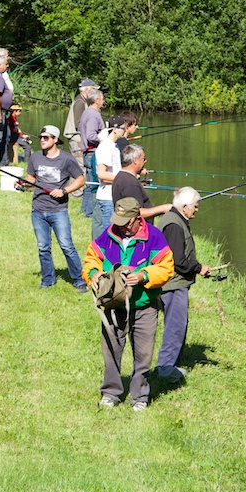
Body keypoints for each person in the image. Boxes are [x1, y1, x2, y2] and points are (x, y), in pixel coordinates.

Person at [83, 197, 174, 411]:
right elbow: (91, 258)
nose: (121, 226)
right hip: (114, 305)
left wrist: (144, 275)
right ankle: (111, 393)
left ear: (137, 219)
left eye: (125, 222)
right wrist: (94, 274)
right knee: (111, 350)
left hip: (144, 306)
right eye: (118, 220)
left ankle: (139, 396)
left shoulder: (154, 237)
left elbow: (167, 267)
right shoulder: (109, 233)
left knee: (143, 353)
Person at [154, 187, 213, 383]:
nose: (196, 210)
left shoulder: (175, 220)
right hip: (172, 285)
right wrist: (198, 268)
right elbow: (178, 260)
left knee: (177, 325)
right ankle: (165, 370)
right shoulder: (174, 225)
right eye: (195, 206)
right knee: (175, 328)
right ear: (185, 206)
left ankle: (172, 366)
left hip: (174, 284)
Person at [21, 125, 88, 292]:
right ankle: (47, 280)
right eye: (41, 137)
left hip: (58, 211)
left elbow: (81, 179)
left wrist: (64, 190)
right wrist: (23, 183)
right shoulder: (35, 157)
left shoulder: (66, 159)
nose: (42, 140)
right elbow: (31, 178)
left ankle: (79, 280)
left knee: (66, 245)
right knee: (43, 247)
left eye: (46, 137)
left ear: (55, 139)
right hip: (38, 209)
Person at [111, 144, 172, 223]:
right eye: (143, 159)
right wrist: (163, 208)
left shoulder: (121, 176)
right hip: (136, 232)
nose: (145, 161)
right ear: (135, 160)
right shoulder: (130, 183)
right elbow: (136, 212)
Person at [93, 115, 127, 239]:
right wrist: (123, 179)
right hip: (107, 198)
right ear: (115, 129)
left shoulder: (114, 146)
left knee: (117, 232)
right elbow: (102, 174)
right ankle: (105, 257)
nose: (125, 130)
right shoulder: (106, 147)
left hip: (114, 196)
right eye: (123, 127)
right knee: (110, 234)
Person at [77, 88, 105, 218]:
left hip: (88, 153)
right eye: (102, 99)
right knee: (94, 184)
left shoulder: (87, 112)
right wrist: (104, 137)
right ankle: (90, 213)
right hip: (92, 153)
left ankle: (85, 211)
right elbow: (91, 135)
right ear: (97, 100)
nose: (103, 101)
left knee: (89, 183)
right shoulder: (93, 114)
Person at [63, 79, 96, 164]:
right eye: (93, 89)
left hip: (80, 138)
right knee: (80, 165)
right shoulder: (80, 102)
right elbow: (79, 124)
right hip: (76, 139)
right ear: (86, 90)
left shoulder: (83, 101)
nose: (95, 92)